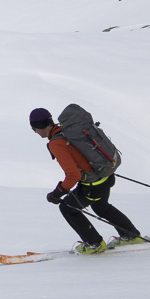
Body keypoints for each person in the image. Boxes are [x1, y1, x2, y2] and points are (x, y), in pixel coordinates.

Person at [29, 107, 143, 254]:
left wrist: (57, 193)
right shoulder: (68, 131)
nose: (35, 132)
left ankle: (95, 244)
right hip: (106, 175)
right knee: (101, 206)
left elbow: (73, 175)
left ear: (38, 127)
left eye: (34, 129)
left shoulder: (56, 144)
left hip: (93, 185)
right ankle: (131, 235)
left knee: (68, 209)